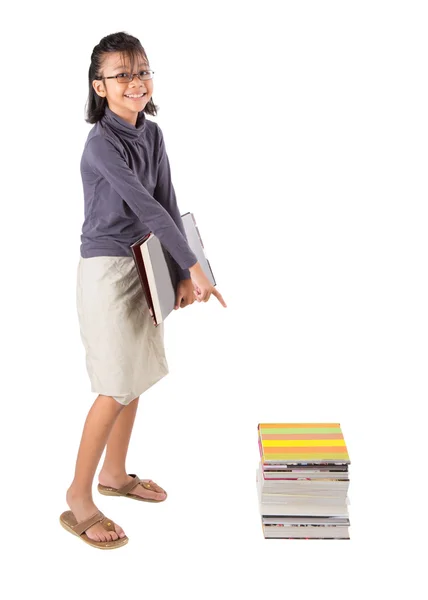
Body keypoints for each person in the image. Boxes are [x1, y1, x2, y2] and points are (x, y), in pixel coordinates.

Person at [59, 31, 227, 550]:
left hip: (143, 263)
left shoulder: (151, 134)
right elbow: (144, 207)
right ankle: (78, 499)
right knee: (114, 386)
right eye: (122, 74)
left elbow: (168, 202)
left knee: (135, 378)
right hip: (108, 271)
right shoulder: (101, 144)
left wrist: (180, 274)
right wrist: (194, 266)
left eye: (142, 70)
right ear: (99, 87)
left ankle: (115, 475)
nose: (135, 82)